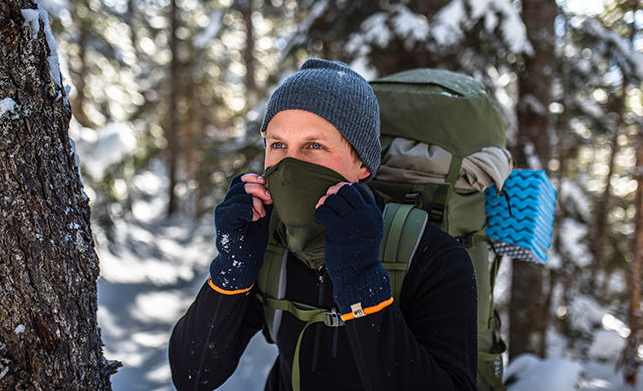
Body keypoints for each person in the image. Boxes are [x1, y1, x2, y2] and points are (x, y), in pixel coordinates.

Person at [169, 58, 477, 390]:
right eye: (278, 145)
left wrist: (360, 281)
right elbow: (193, 375)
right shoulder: (268, 242)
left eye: (314, 146)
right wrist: (233, 268)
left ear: (362, 164)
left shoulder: (429, 255)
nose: (290, 166)